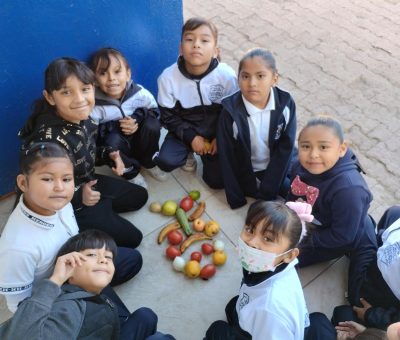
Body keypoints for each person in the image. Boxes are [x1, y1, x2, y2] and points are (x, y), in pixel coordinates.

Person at [18, 57, 148, 249]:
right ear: (50, 97)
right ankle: (78, 226)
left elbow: (85, 152)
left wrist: (109, 154)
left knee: (140, 197)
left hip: (85, 181)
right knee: (133, 239)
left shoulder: (85, 117)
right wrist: (80, 197)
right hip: (67, 205)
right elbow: (42, 193)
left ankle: (102, 211)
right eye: (66, 92)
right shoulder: (49, 146)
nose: (80, 99)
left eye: (85, 89)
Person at [0, 142, 141, 313]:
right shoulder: (17, 249)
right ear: (23, 183)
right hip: (58, 294)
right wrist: (58, 284)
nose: (60, 187)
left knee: (133, 260)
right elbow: (19, 308)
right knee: (121, 322)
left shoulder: (57, 202)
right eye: (47, 179)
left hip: (80, 265)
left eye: (66, 179)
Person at [0, 230, 175, 340]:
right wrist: (55, 279)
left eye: (108, 257)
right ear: (69, 270)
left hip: (105, 328)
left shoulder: (85, 296)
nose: (102, 259)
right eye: (91, 255)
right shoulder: (69, 310)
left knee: (146, 316)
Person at [205, 200, 336, 340]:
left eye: (267, 238)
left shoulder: (270, 311)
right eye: (250, 230)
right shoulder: (282, 265)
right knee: (233, 306)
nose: (252, 243)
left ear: (289, 255)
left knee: (216, 329)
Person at [286, 115, 377, 302]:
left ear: (342, 149)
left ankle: (366, 232)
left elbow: (342, 236)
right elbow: (292, 190)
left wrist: (303, 240)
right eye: (306, 146)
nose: (313, 155)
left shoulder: (349, 190)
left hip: (336, 235)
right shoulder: (302, 164)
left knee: (282, 258)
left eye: (323, 147)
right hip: (317, 215)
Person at [154, 17, 238, 188]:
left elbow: (233, 111)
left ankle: (212, 153)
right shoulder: (167, 78)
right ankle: (189, 152)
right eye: (189, 39)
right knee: (166, 161)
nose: (196, 45)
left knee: (217, 182)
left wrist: (219, 137)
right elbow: (168, 117)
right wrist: (191, 138)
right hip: (186, 127)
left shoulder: (226, 76)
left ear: (215, 51)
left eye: (204, 40)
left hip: (216, 129)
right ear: (180, 48)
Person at [217, 48, 296, 209]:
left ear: (274, 79)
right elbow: (227, 155)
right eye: (245, 76)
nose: (252, 83)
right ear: (238, 79)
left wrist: (268, 191)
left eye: (260, 76)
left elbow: (285, 149)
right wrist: (236, 198)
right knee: (214, 179)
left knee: (295, 193)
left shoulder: (286, 104)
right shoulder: (229, 112)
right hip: (247, 167)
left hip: (277, 164)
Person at [90, 47, 167, 189]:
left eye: (117, 71)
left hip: (141, 140)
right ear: (95, 80)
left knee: (152, 125)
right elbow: (93, 136)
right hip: (119, 146)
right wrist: (114, 127)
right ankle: (132, 173)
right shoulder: (95, 106)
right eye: (103, 73)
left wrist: (137, 119)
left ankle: (149, 162)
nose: (111, 78)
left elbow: (156, 112)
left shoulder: (140, 94)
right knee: (110, 143)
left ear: (128, 74)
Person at [332, 206, 400, 331]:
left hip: (373, 291)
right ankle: (369, 241)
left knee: (361, 220)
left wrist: (371, 315)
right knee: (395, 212)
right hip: (382, 259)